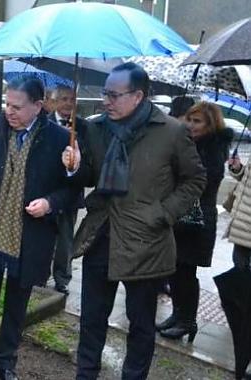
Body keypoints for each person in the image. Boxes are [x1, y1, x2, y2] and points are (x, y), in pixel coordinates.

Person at [63, 62, 206, 380]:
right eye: (104, 93)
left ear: (138, 96)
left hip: (147, 242)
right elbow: (90, 176)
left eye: (114, 95)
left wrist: (164, 213)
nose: (106, 101)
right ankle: (85, 375)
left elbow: (195, 180)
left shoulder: (171, 132)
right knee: (91, 320)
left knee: (140, 325)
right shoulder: (95, 128)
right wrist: (74, 166)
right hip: (101, 234)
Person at [0, 76, 74, 380]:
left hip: (30, 236)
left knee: (16, 304)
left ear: (38, 105)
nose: (9, 111)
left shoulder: (60, 139)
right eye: (7, 104)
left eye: (17, 107)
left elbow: (71, 191)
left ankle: (6, 361)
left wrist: (50, 202)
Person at [157, 102, 232, 342]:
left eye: (197, 121)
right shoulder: (191, 144)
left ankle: (187, 321)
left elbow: (198, 183)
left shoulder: (212, 150)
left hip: (196, 220)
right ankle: (179, 315)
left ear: (211, 125)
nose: (190, 124)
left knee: (186, 272)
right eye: (189, 119)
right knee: (175, 270)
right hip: (181, 216)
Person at [47, 85, 89, 295]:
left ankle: (62, 277)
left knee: (65, 237)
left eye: (71, 99)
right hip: (48, 191)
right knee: (44, 235)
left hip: (71, 191)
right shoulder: (45, 123)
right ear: (54, 101)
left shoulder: (83, 126)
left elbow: (89, 158)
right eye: (63, 99)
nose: (67, 103)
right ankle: (41, 272)